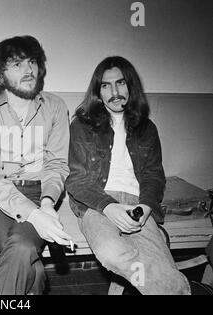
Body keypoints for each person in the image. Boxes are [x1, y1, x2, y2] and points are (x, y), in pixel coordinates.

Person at [65, 56, 191, 294]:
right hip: (97, 203)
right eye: (105, 85)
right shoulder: (82, 125)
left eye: (120, 83)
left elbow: (154, 175)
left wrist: (146, 207)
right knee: (113, 252)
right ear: (98, 92)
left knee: (160, 264)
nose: (114, 92)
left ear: (131, 86)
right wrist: (109, 207)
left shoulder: (147, 128)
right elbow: (76, 180)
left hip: (138, 204)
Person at [0, 35, 73, 295]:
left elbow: (57, 163)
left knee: (28, 261)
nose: (28, 70)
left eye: (32, 62)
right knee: (28, 258)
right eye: (16, 64)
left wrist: (47, 203)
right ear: (0, 73)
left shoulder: (56, 106)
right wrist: (36, 216)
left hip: (40, 192)